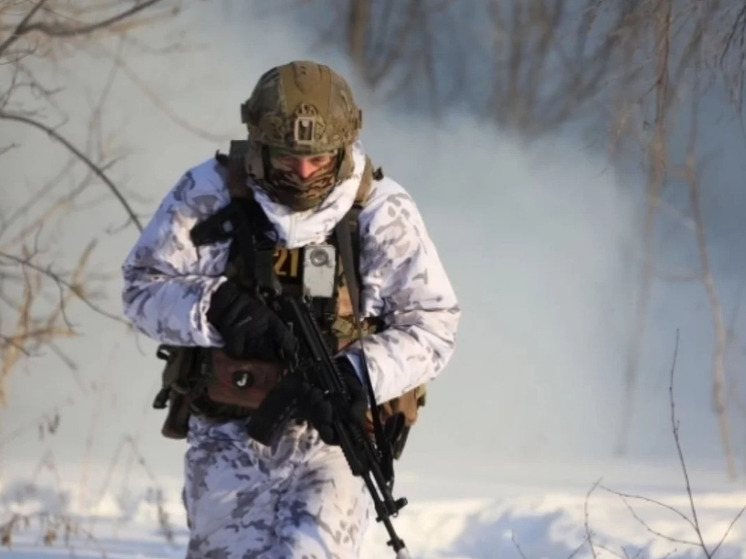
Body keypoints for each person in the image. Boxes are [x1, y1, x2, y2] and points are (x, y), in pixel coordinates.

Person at [121, 60, 460, 559]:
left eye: (319, 159)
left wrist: (357, 374)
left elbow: (433, 323)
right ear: (258, 143)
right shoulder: (209, 192)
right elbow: (141, 290)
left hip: (334, 437)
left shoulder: (381, 211)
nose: (302, 172)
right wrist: (218, 307)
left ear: (344, 147)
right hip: (228, 431)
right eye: (287, 157)